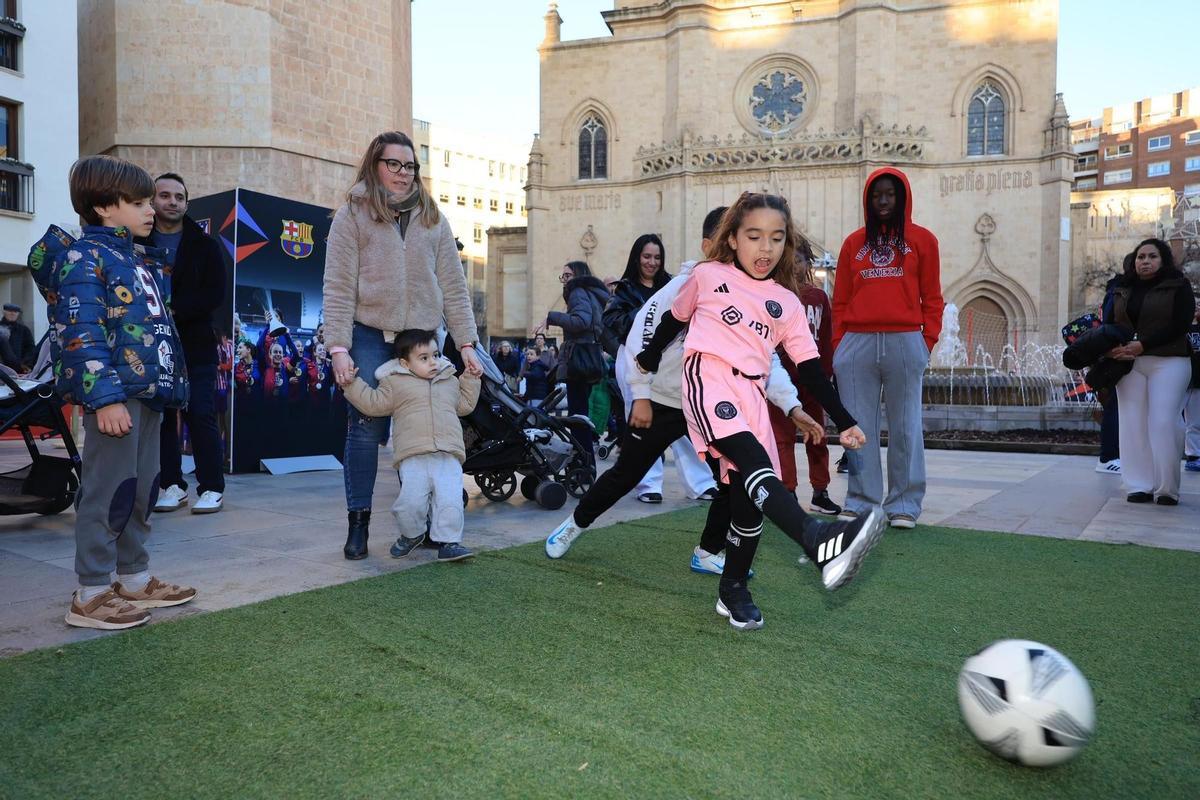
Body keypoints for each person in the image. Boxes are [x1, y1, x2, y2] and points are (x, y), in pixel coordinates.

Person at [634, 192, 884, 631]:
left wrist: (842, 420)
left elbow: (810, 370)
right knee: (753, 466)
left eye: (775, 238)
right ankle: (816, 538)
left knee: (749, 497)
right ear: (732, 239)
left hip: (752, 395)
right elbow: (675, 318)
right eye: (754, 236)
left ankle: (733, 591)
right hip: (708, 378)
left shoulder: (785, 303)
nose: (764, 249)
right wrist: (650, 356)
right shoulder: (708, 276)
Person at [546, 206, 839, 576]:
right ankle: (575, 524)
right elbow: (641, 336)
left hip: (717, 404)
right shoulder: (685, 285)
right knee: (627, 473)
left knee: (736, 480)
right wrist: (639, 394)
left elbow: (765, 361)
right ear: (714, 244)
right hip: (666, 400)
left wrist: (792, 405)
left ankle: (708, 550)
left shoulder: (756, 293)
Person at [27, 155, 195, 630]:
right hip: (116, 397)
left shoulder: (137, 259)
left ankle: (134, 578)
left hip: (146, 393)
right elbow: (82, 329)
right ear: (103, 207)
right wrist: (104, 398)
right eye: (139, 202)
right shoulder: (87, 257)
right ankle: (92, 591)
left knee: (141, 489)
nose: (151, 211)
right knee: (108, 491)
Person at [323, 131, 481, 560]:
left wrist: (466, 343)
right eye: (393, 164)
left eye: (409, 165)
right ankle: (359, 523)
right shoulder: (351, 215)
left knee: (426, 427)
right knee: (366, 427)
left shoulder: (433, 218)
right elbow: (337, 286)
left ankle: (428, 524)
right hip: (370, 335)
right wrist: (338, 346)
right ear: (375, 165)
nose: (402, 173)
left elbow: (453, 286)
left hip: (424, 340)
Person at [831, 167, 944, 529]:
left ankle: (904, 505)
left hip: (905, 341)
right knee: (857, 428)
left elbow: (933, 299)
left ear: (903, 197)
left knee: (906, 425)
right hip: (857, 344)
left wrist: (924, 343)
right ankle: (862, 501)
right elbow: (841, 301)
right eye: (876, 194)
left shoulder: (923, 241)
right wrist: (838, 347)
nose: (882, 200)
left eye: (890, 194)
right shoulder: (853, 244)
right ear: (867, 199)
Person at [341, 329, 480, 561]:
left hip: (448, 455)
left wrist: (471, 378)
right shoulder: (395, 384)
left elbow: (464, 405)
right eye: (424, 358)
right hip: (413, 457)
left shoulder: (448, 380)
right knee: (410, 503)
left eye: (435, 355)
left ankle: (450, 542)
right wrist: (351, 384)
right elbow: (373, 404)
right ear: (405, 363)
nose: (433, 362)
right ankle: (412, 534)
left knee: (450, 501)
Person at [141, 173, 228, 515]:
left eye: (178, 197)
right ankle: (171, 485)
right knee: (161, 417)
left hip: (195, 344)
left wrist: (175, 310)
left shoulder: (206, 245)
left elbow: (214, 294)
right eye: (165, 195)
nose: (172, 202)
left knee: (201, 415)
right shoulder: (138, 241)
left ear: (186, 203)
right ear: (154, 200)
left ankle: (211, 487)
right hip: (152, 345)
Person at [605, 234, 713, 504]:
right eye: (646, 256)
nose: (652, 262)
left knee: (681, 420)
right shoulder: (625, 289)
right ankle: (648, 483)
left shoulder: (673, 283)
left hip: (672, 360)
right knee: (642, 420)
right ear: (636, 258)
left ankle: (700, 483)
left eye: (657, 257)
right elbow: (612, 321)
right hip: (634, 358)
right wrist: (647, 314)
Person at [1104, 238, 1195, 505]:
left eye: (1152, 256)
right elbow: (1107, 323)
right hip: (1128, 363)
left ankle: (1167, 488)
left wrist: (1143, 344)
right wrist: (1111, 350)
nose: (1145, 261)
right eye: (1140, 257)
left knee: (1163, 422)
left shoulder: (1178, 286)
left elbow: (1180, 323)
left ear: (1163, 259)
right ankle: (1139, 485)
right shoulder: (1119, 288)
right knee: (1132, 423)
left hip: (1169, 359)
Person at [770, 238, 842, 515]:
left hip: (812, 381)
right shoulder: (775, 295)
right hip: (782, 381)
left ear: (809, 263)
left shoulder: (818, 297)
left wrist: (827, 375)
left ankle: (820, 492)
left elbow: (825, 340)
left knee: (817, 436)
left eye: (800, 260)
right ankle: (787, 490)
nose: (796, 266)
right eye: (790, 260)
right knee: (782, 438)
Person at [542, 260, 609, 447]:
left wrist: (552, 316)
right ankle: (584, 463)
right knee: (582, 413)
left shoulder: (577, 292)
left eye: (568, 275)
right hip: (590, 357)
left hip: (578, 359)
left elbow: (581, 321)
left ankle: (583, 464)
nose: (564, 280)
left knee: (577, 416)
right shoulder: (590, 293)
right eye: (563, 276)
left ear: (578, 275)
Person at [1184, 298, 1200, 473]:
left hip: (1198, 380)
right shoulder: (1180, 327)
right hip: (1181, 378)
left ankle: (1193, 456)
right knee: (1172, 419)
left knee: (1195, 421)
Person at [0, 303, 36, 373]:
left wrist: (25, 364)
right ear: (4, 312)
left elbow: (30, 348)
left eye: (15, 312)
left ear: (18, 314)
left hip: (18, 369)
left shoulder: (24, 330)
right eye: (10, 311)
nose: (12, 314)